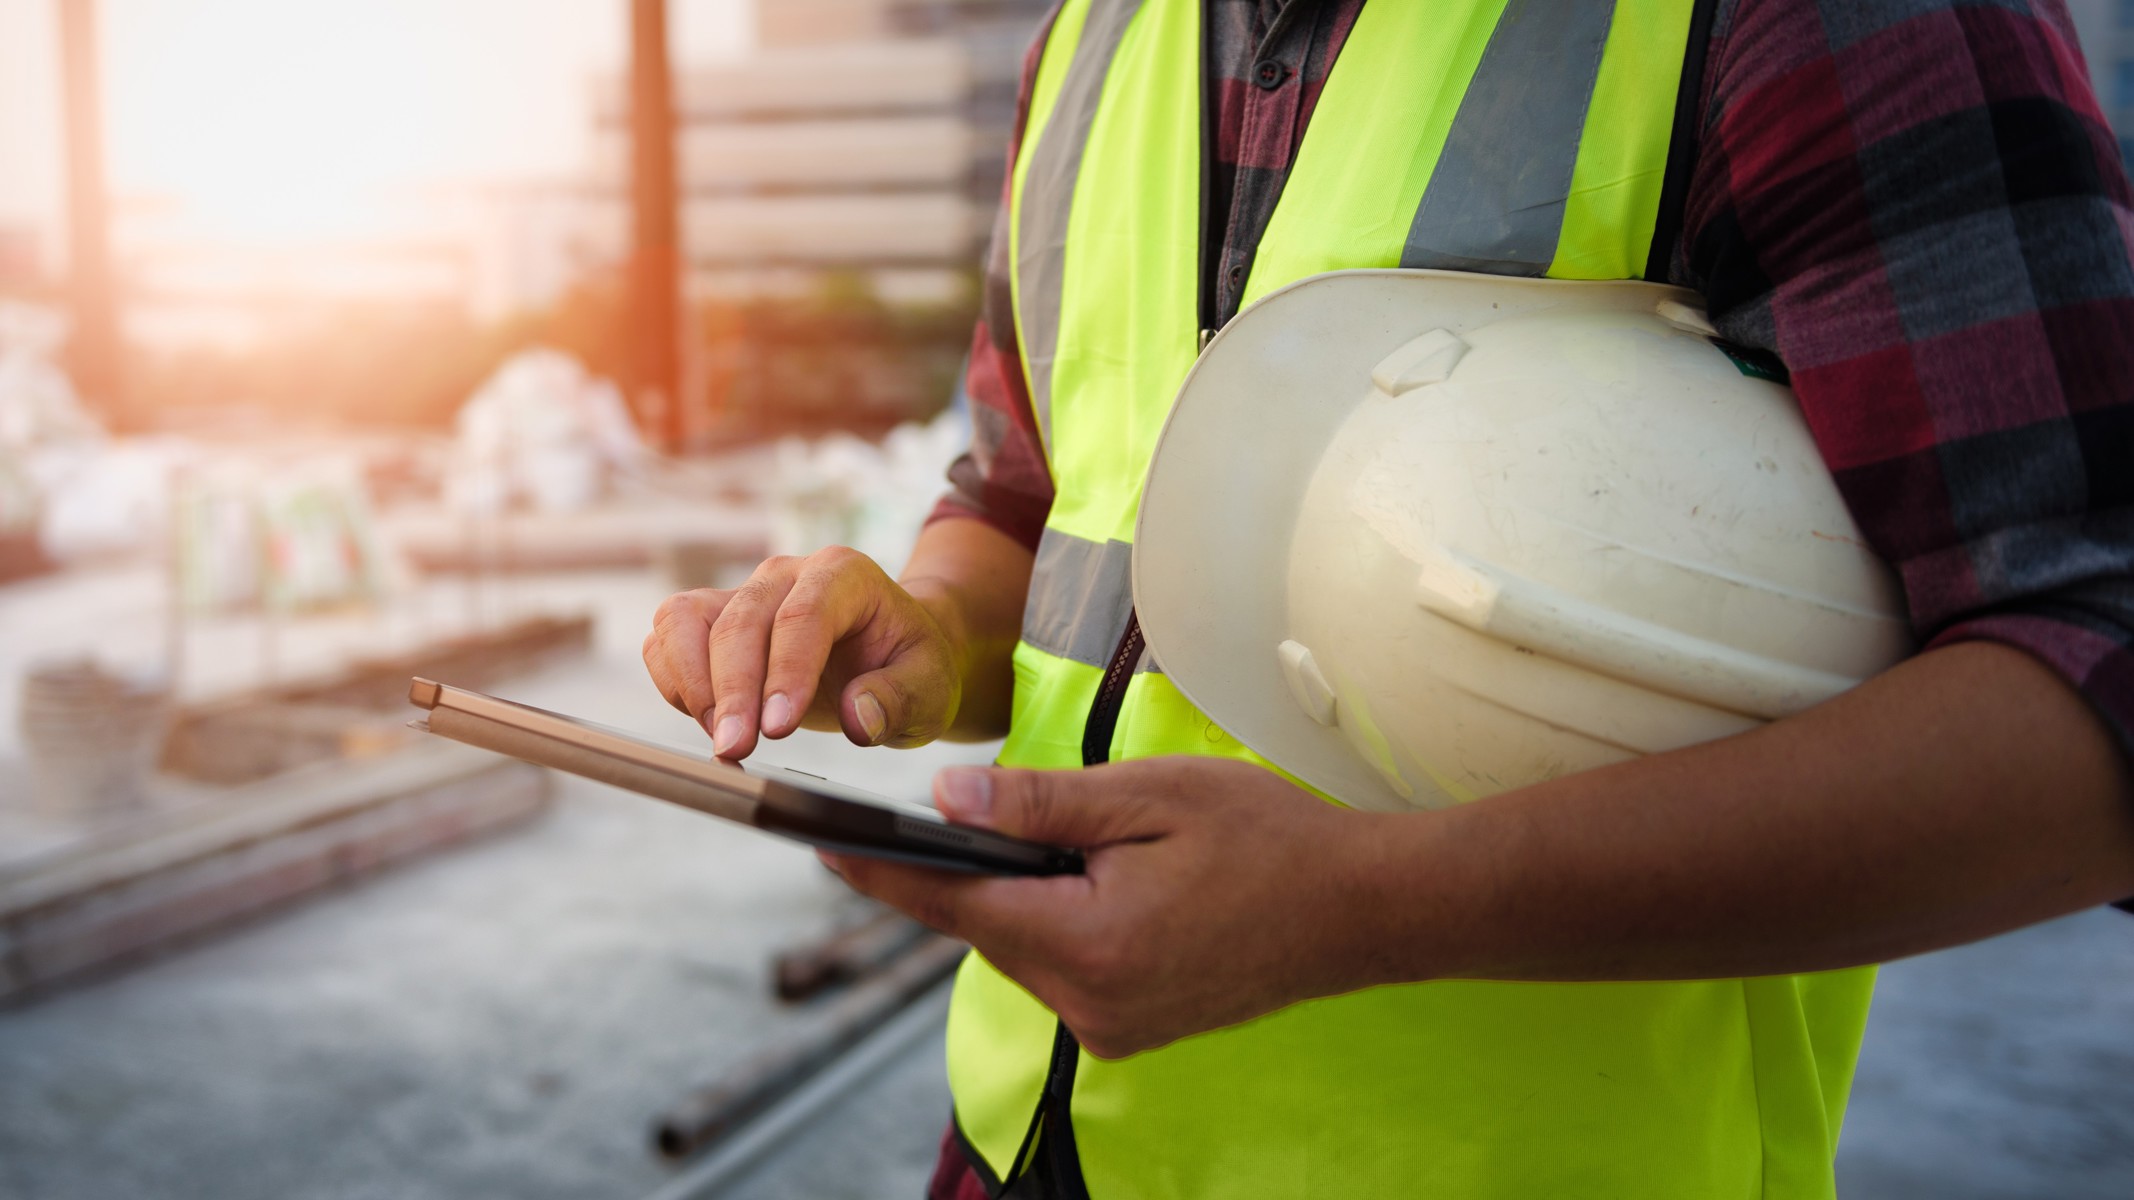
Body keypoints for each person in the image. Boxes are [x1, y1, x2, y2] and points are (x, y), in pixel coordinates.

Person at [641, 0, 2134, 1195]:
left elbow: (2091, 699)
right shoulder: (1092, 44)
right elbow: (1029, 501)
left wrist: (1365, 912)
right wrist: (933, 623)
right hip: (1033, 1144)